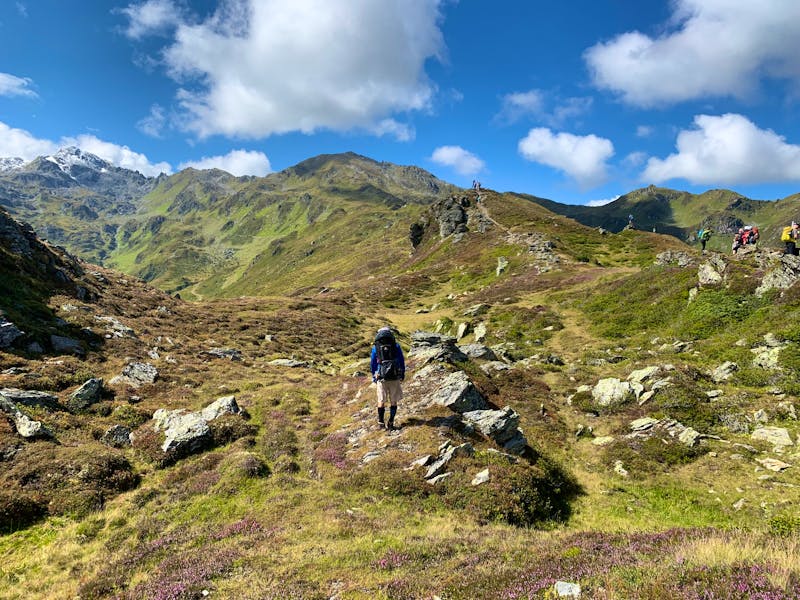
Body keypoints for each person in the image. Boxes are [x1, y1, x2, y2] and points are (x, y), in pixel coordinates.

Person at [370, 326, 405, 430]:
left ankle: (381, 422)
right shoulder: (396, 346)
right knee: (393, 401)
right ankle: (391, 422)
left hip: (381, 377)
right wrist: (402, 374)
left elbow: (372, 363)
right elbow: (401, 361)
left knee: (381, 400)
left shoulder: (375, 347)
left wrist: (374, 375)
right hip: (394, 377)